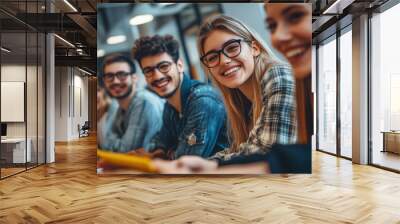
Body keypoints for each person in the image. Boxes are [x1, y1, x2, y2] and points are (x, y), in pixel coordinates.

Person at [154, 15, 298, 173]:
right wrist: (211, 163)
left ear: (254, 48)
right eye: (213, 57)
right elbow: (238, 150)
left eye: (232, 48)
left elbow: (265, 153)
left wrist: (212, 165)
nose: (224, 61)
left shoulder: (279, 75)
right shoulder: (242, 102)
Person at [131, 35, 229, 159]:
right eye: (148, 71)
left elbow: (186, 161)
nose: (157, 76)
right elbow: (160, 144)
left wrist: (167, 153)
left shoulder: (203, 100)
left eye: (164, 66)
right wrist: (165, 152)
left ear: (179, 65)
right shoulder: (170, 105)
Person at [98, 54, 164, 152]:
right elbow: (108, 145)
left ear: (134, 78)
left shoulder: (143, 102)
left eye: (122, 75)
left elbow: (127, 150)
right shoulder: (121, 107)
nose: (115, 81)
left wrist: (108, 142)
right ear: (104, 81)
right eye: (109, 76)